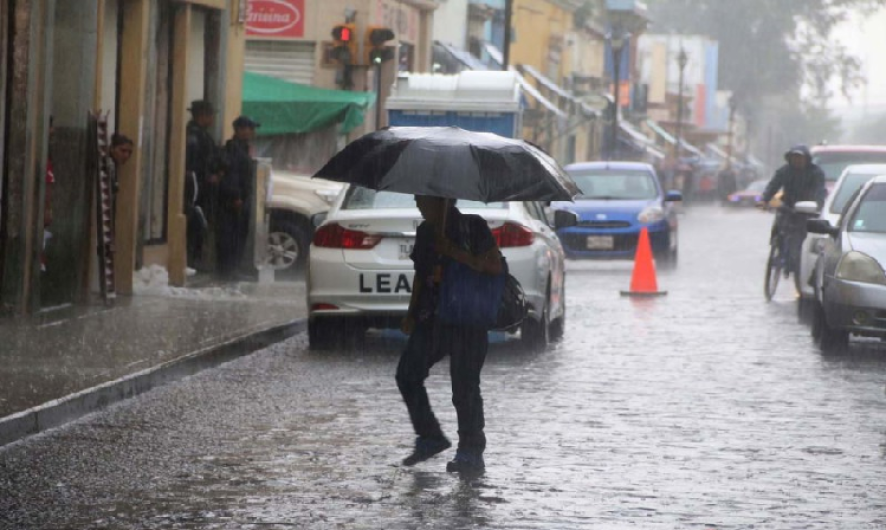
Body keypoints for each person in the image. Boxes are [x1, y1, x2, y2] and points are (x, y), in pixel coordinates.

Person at [397, 195, 503, 474]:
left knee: (465, 388)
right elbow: (420, 276)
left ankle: (470, 452)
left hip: (468, 319)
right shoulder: (426, 231)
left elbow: (495, 266)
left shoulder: (473, 226)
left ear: (442, 200)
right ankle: (430, 436)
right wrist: (411, 313)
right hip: (432, 319)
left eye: (423, 198)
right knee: (407, 374)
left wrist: (454, 253)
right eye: (417, 197)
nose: (417, 202)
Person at [757, 145, 826, 273]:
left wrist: (818, 205)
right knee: (779, 225)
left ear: (806, 159)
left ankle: (799, 259)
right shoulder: (784, 171)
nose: (797, 160)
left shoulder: (816, 173)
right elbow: (772, 186)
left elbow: (820, 191)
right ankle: (777, 250)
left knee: (803, 234)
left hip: (806, 208)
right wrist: (764, 200)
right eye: (794, 157)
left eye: (800, 158)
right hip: (787, 206)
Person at [216, 115, 258, 280]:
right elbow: (232, 175)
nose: (252, 132)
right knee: (231, 235)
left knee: (238, 234)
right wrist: (236, 196)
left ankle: (233, 268)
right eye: (249, 128)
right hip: (233, 200)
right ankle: (228, 270)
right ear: (240, 130)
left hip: (241, 198)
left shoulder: (243, 148)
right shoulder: (233, 149)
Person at [185, 100, 218, 269]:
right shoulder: (194, 136)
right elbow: (195, 162)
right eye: (211, 115)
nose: (212, 119)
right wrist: (206, 176)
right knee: (196, 222)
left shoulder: (202, 135)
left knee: (200, 222)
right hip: (196, 187)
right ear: (203, 115)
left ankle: (196, 258)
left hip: (201, 185)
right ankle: (193, 260)